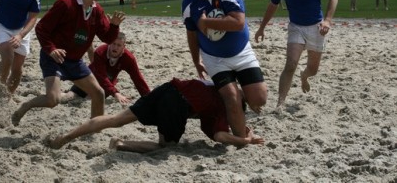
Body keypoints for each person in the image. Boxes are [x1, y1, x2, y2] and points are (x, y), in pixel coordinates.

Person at [11, 0, 126, 127]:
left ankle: (95, 130)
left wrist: (114, 26)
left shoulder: (97, 10)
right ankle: (25, 106)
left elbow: (106, 37)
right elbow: (41, 28)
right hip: (54, 58)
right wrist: (52, 49)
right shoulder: (65, 3)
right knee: (53, 100)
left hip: (74, 61)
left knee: (98, 93)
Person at [47, 78, 265, 151]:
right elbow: (220, 136)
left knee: (116, 119)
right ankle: (121, 144)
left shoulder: (222, 82)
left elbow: (214, 131)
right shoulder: (227, 104)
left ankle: (65, 137)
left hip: (169, 87)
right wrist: (244, 140)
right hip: (178, 103)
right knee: (167, 146)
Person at [182, 0, 267, 139]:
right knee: (230, 96)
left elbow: (238, 23)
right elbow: (192, 34)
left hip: (241, 52)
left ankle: (243, 93)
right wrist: (196, 61)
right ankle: (242, 137)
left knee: (259, 99)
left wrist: (206, 22)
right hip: (214, 58)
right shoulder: (189, 3)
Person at [254, 0, 338, 113]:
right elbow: (272, 6)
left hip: (316, 28)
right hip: (296, 27)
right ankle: (280, 103)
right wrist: (261, 28)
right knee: (290, 64)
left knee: (312, 69)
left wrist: (327, 20)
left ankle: (304, 76)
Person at [62, 32, 151, 105]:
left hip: (105, 88)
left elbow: (137, 78)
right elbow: (101, 76)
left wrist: (149, 97)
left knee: (90, 100)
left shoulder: (128, 58)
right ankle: (52, 96)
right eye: (113, 44)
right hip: (88, 80)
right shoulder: (100, 52)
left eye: (119, 45)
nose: (115, 47)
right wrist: (116, 93)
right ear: (109, 43)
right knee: (68, 97)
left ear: (124, 46)